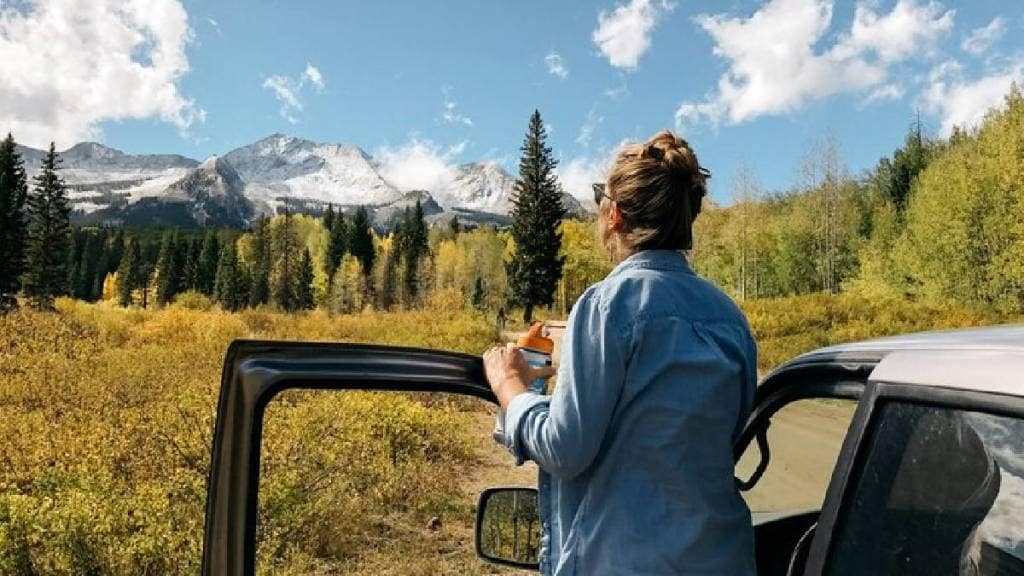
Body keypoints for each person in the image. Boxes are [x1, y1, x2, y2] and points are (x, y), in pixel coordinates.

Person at [483, 130, 757, 575]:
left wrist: (508, 384)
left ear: (614, 214)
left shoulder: (608, 303)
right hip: (723, 559)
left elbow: (564, 448)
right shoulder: (729, 317)